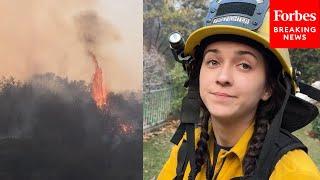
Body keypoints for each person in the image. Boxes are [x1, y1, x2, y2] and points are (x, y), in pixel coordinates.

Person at [158, 0, 320, 179]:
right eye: (213, 62)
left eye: (244, 65)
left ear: (268, 87)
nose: (223, 77)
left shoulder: (295, 172)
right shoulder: (189, 145)